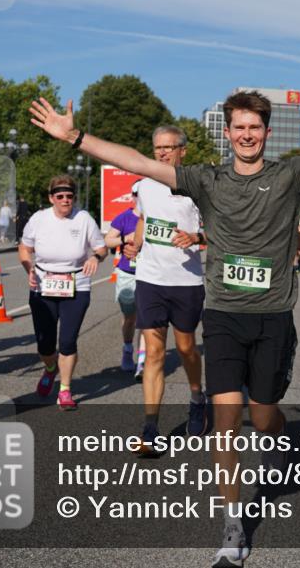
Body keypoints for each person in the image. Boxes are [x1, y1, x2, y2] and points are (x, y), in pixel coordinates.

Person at [30, 79, 300, 567]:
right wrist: (75, 137)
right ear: (227, 132)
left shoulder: (292, 174)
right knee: (227, 419)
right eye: (239, 127)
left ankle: (276, 438)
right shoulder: (205, 180)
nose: (247, 134)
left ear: (266, 133)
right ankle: (232, 522)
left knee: (264, 413)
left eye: (255, 127)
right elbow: (140, 163)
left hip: (272, 320)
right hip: (224, 317)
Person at [123, 125, 210, 450]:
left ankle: (197, 397)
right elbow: (143, 219)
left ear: (182, 151)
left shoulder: (196, 186)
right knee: (155, 352)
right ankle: (150, 427)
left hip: (186, 280)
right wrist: (135, 245)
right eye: (157, 147)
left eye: (168, 147)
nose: (161, 153)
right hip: (151, 279)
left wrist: (197, 237)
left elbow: (220, 229)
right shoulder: (144, 185)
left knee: (186, 348)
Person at [19, 176, 107, 410]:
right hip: (43, 284)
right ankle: (50, 367)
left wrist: (95, 257)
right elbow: (25, 247)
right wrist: (29, 269)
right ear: (51, 198)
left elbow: (101, 247)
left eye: (69, 196)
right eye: (60, 196)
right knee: (45, 345)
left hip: (77, 284)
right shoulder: (39, 219)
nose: (65, 200)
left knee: (67, 341)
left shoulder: (84, 218)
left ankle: (65, 390)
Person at [105, 181, 141, 375]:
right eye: (137, 193)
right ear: (132, 196)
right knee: (130, 317)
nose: (141, 197)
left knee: (149, 318)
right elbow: (108, 240)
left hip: (152, 273)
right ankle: (128, 350)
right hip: (128, 273)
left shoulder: (156, 217)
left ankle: (144, 357)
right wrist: (124, 238)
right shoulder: (125, 217)